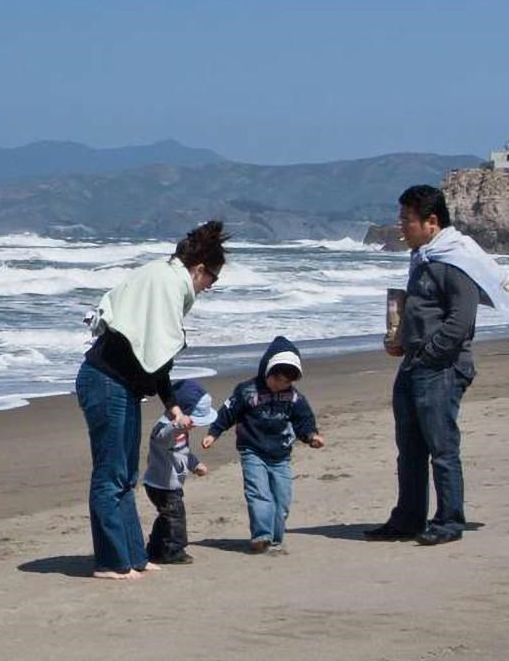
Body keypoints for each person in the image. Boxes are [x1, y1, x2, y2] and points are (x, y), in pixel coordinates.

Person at [76, 221, 229, 580]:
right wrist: (170, 401)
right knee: (111, 474)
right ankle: (112, 561)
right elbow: (159, 349)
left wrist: (171, 403)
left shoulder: (164, 277)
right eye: (213, 280)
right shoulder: (168, 282)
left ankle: (133, 556)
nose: (209, 288)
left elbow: (152, 349)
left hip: (121, 384)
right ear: (199, 269)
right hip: (105, 381)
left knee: (125, 475)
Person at [367, 185, 480, 547]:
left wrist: (430, 352)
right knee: (410, 447)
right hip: (414, 362)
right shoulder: (424, 258)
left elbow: (461, 319)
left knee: (441, 446)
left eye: (407, 220)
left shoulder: (455, 260)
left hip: (440, 366)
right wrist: (400, 340)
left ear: (431, 222)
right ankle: (408, 517)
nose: (402, 228)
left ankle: (449, 520)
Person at [201, 336, 324, 554]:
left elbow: (303, 420)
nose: (280, 384)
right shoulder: (246, 391)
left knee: (282, 498)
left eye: (286, 381)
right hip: (252, 450)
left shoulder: (294, 398)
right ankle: (261, 535)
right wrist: (214, 433)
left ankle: (275, 537)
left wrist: (311, 436)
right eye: (276, 379)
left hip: (281, 455)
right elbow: (228, 412)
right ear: (266, 371)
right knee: (258, 493)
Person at [143, 379, 215, 565]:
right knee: (175, 517)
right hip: (161, 484)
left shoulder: (181, 432)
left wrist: (195, 464)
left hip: (171, 483)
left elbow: (182, 452)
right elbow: (161, 438)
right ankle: (173, 550)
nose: (194, 425)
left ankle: (155, 549)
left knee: (166, 516)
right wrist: (178, 424)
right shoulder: (165, 427)